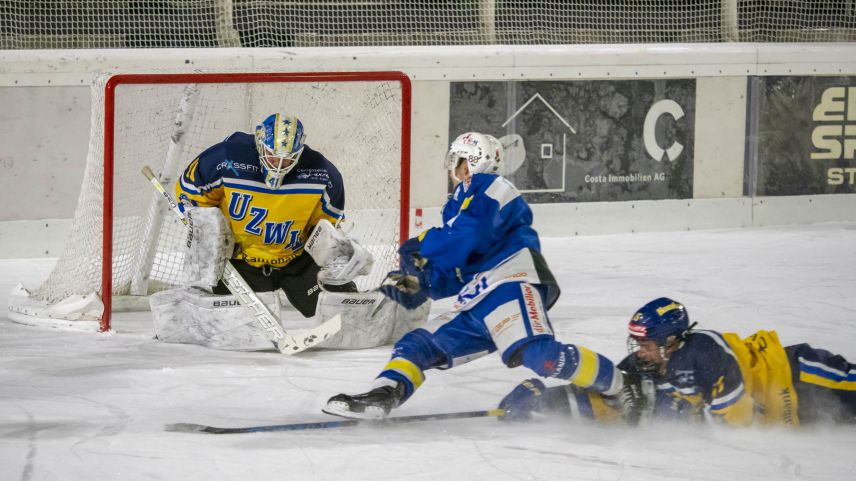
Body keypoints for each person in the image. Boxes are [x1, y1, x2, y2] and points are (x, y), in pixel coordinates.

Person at [323, 132, 642, 419]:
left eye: (457, 162)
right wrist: (412, 284)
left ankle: (621, 385)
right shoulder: (459, 206)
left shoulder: (493, 187)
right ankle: (383, 395)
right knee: (418, 344)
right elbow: (455, 271)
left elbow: (468, 237)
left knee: (539, 356)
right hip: (477, 296)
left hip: (510, 282)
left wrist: (420, 245)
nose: (453, 170)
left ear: (470, 164)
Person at [149, 112, 428, 351]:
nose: (278, 165)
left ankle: (396, 302)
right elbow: (190, 193)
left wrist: (339, 251)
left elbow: (325, 229)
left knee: (345, 314)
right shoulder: (223, 159)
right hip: (241, 263)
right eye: (272, 156)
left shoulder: (322, 174)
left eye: (287, 159)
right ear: (260, 142)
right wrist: (203, 228)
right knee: (231, 327)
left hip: (295, 261)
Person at [499, 297, 856, 426]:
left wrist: (673, 411)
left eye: (648, 344)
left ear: (672, 341)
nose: (640, 352)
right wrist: (542, 401)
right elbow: (604, 399)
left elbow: (739, 421)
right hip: (797, 416)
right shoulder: (643, 365)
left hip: (797, 374)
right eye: (637, 343)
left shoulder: (704, 352)